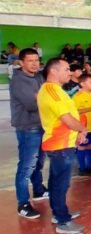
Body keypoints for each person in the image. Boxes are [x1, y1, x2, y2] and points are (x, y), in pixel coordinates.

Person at [37, 58, 90, 234]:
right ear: (54, 71)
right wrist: (83, 129)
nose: (70, 72)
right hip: (59, 145)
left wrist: (77, 134)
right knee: (61, 183)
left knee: (56, 181)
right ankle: (63, 221)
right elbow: (66, 118)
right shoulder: (51, 91)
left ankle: (58, 212)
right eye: (67, 69)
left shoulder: (57, 91)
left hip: (63, 143)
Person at [11, 48, 49, 219]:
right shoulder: (19, 81)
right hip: (28, 127)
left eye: (36, 60)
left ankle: (39, 189)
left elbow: (45, 97)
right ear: (21, 62)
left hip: (41, 126)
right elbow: (33, 105)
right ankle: (23, 203)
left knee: (39, 162)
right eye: (30, 61)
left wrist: (40, 97)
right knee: (26, 166)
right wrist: (42, 98)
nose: (35, 64)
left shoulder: (39, 77)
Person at [72, 74, 91, 176]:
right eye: (90, 82)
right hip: (83, 127)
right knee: (82, 147)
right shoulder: (77, 96)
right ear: (82, 84)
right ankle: (82, 168)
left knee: (90, 147)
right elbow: (75, 111)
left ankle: (90, 167)